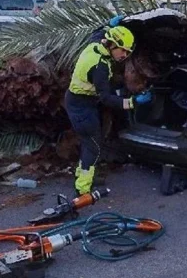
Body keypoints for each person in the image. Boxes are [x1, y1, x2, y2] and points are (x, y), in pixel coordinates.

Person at [65, 16, 153, 195]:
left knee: (88, 143)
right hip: (81, 107)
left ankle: (82, 176)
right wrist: (133, 102)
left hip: (78, 102)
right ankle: (83, 189)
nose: (125, 56)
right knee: (93, 146)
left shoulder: (96, 44)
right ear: (113, 45)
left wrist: (110, 24)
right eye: (124, 51)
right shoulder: (100, 67)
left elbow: (96, 32)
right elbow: (106, 98)